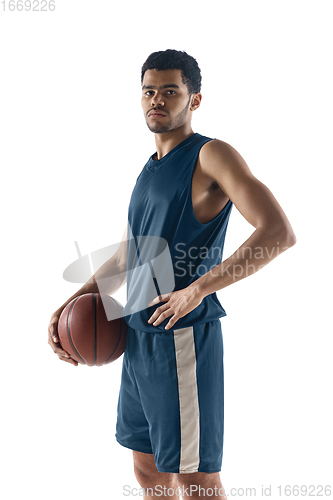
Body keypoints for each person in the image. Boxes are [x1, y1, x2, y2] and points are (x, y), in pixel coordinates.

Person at [48, 49, 296, 499]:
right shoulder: (150, 167)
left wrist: (198, 289)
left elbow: (278, 232)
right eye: (148, 91)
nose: (156, 100)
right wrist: (78, 300)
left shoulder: (211, 155)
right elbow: (131, 252)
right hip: (139, 335)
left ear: (194, 99)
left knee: (195, 481)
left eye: (170, 91)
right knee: (147, 470)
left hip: (182, 336)